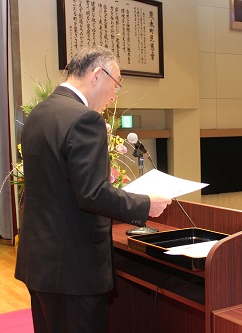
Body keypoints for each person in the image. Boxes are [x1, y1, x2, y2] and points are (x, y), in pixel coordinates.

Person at [14, 46, 172, 333]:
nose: (114, 96)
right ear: (98, 74)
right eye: (117, 84)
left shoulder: (39, 113)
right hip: (73, 267)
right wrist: (144, 204)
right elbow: (92, 193)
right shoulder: (85, 119)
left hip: (39, 261)